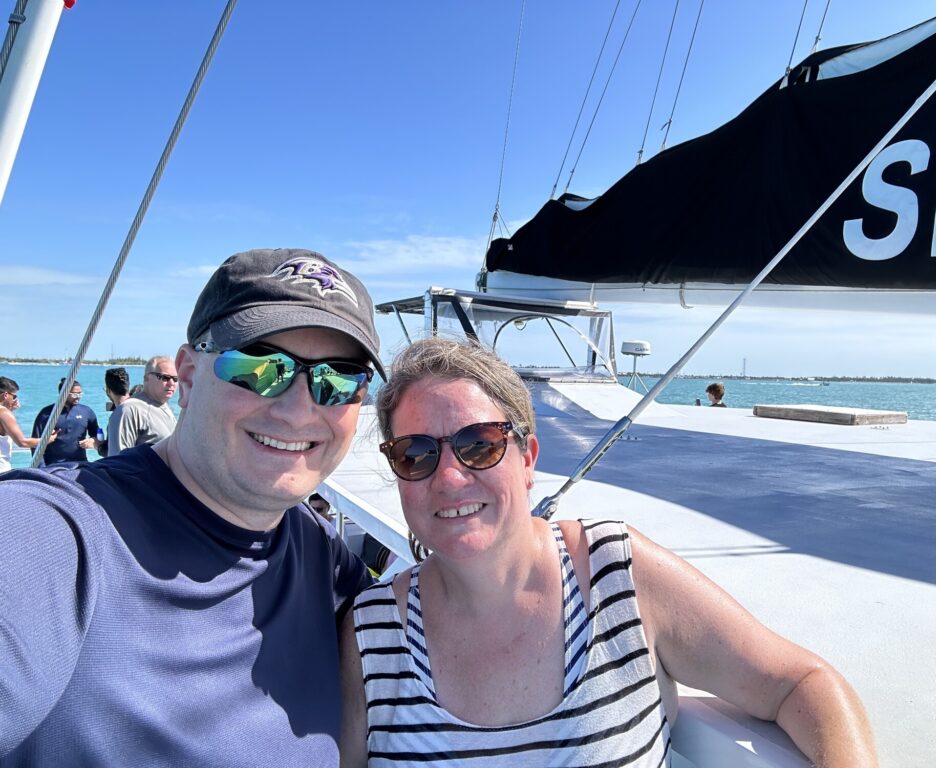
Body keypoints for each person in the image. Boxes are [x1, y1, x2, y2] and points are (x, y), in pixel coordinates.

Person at [340, 339, 877, 767]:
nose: (451, 476)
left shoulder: (616, 574)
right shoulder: (372, 633)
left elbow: (800, 685)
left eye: (479, 444)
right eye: (416, 454)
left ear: (527, 458)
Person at [0, 248, 386, 765]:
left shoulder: (318, 549)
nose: (299, 410)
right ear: (186, 375)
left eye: (338, 380)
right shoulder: (58, 533)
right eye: (260, 367)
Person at [106, 355, 179, 456]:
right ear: (146, 379)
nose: (171, 383)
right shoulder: (129, 410)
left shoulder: (165, 407)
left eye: (175, 379)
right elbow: (118, 461)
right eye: (164, 378)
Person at [30, 378, 99, 465]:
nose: (78, 397)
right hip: (52, 465)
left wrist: (93, 440)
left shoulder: (86, 411)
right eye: (74, 394)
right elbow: (36, 442)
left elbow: (97, 435)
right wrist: (41, 467)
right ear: (63, 394)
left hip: (80, 464)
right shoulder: (47, 413)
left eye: (80, 394)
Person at [0, 377, 56, 473]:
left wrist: (10, 410)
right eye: (14, 396)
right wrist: (48, 439)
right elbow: (23, 442)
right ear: (5, 395)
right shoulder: (4, 413)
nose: (15, 400)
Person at [96, 367, 131, 457]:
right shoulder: (140, 407)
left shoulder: (118, 415)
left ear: (108, 390)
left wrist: (96, 445)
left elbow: (114, 452)